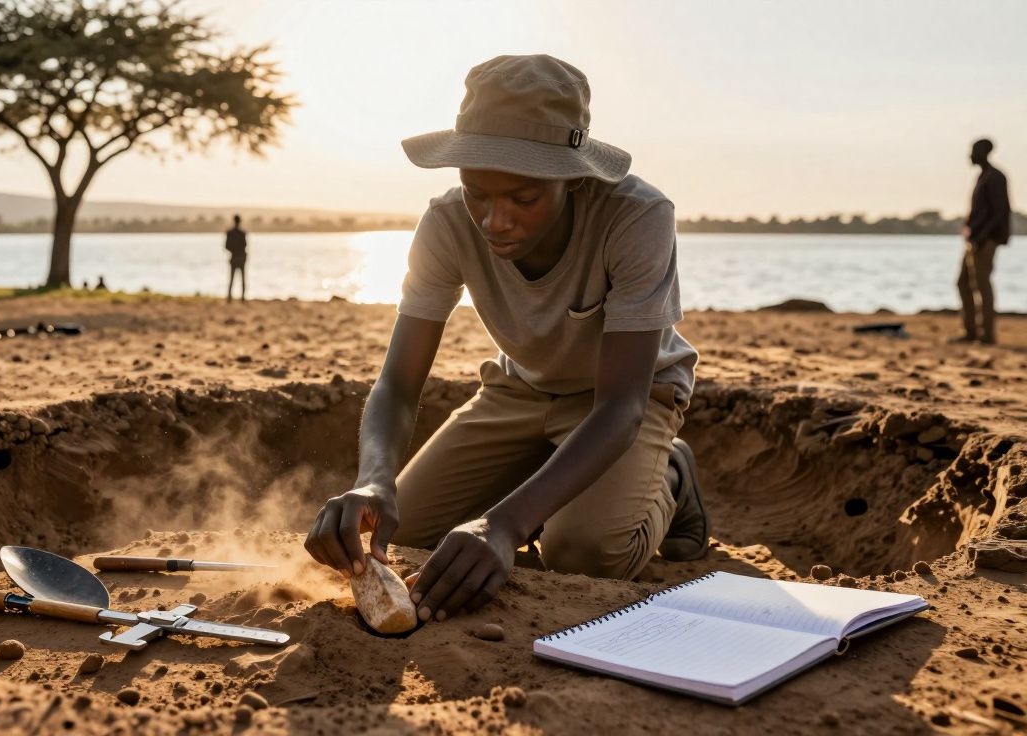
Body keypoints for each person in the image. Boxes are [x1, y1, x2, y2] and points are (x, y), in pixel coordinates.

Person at [304, 55, 705, 624]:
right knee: (404, 529)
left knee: (582, 554)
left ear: (572, 175)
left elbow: (623, 406)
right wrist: (373, 481)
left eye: (522, 198)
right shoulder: (445, 223)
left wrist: (503, 525)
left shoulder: (636, 217)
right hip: (518, 392)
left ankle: (672, 474)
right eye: (477, 193)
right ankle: (543, 484)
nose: (494, 221)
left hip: (623, 400)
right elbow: (397, 382)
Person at [955, 138, 1011, 345]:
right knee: (963, 283)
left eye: (973, 151)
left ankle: (987, 335)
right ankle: (970, 331)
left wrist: (982, 237)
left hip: (984, 241)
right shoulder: (983, 177)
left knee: (981, 285)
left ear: (983, 152)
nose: (970, 155)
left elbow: (1000, 212)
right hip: (974, 239)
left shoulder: (995, 177)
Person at [225, 214, 248, 302]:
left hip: (234, 257)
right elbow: (245, 245)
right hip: (241, 257)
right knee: (242, 278)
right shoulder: (242, 233)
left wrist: (233, 250)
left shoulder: (230, 233)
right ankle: (242, 297)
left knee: (232, 278)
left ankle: (230, 297)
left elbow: (226, 246)